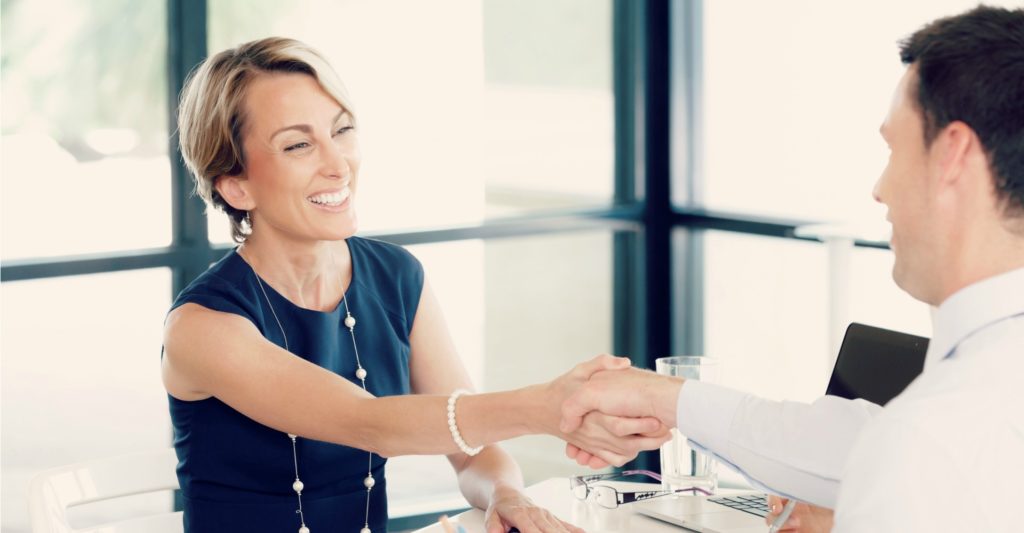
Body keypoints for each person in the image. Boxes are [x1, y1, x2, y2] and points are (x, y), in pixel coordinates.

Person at [163, 37, 669, 533]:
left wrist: (505, 493)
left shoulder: (396, 277)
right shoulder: (201, 328)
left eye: (342, 131)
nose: (338, 164)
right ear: (236, 184)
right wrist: (548, 406)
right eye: (298, 145)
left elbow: (471, 450)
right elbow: (372, 424)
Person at [560, 5, 1024, 532]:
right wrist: (662, 397)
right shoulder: (957, 411)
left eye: (894, 149)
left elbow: (897, 450)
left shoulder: (928, 443)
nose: (880, 189)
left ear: (953, 155)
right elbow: (860, 446)